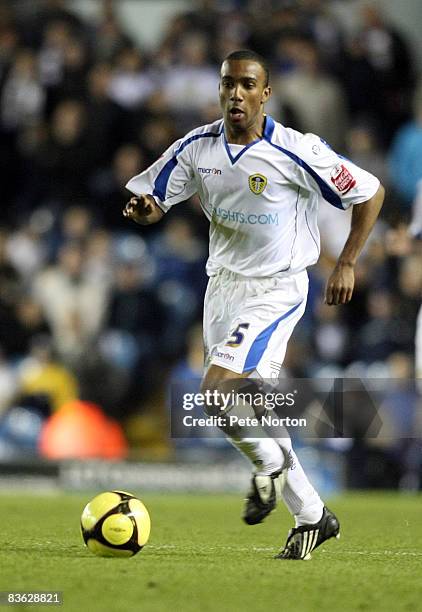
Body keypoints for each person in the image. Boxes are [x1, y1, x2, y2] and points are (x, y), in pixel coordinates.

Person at [123, 49, 384, 560]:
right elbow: (154, 198)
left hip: (277, 288)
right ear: (219, 91)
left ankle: (268, 466)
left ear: (266, 93)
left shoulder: (296, 150)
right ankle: (312, 515)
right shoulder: (197, 147)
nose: (236, 93)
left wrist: (348, 261)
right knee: (247, 405)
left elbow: (369, 193)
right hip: (221, 287)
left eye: (247, 84)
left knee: (218, 391)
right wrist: (143, 210)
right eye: (227, 84)